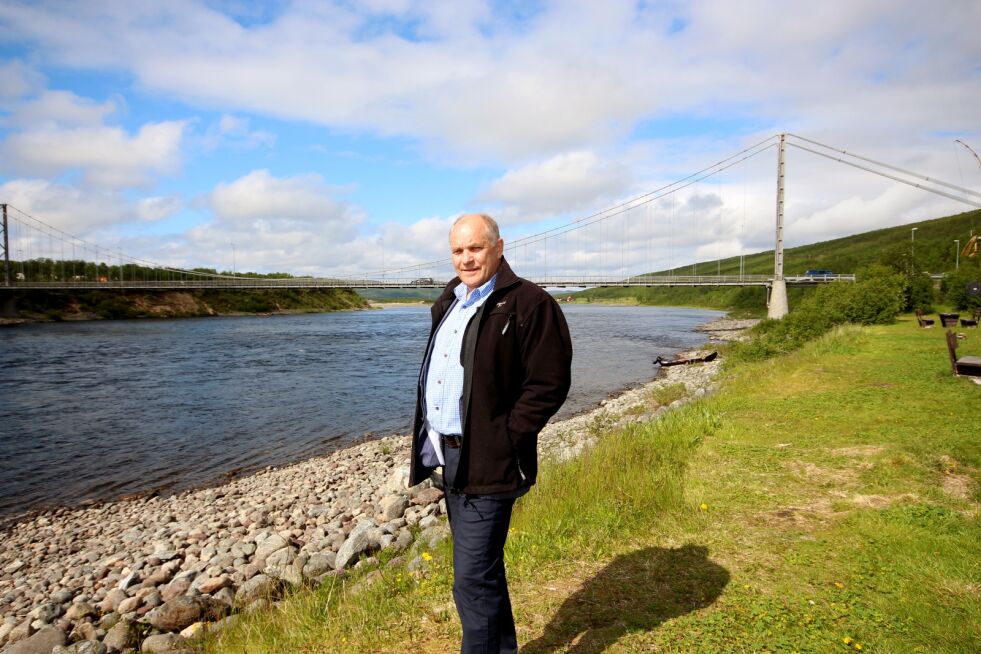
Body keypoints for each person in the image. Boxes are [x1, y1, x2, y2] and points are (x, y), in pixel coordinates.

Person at [409, 213, 573, 653]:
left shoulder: (531, 304)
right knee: (484, 574)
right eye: (458, 251)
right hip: (449, 460)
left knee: (471, 582)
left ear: (499, 247)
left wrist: (506, 436)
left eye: (475, 248)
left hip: (490, 462)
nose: (466, 258)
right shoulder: (450, 301)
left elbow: (549, 384)